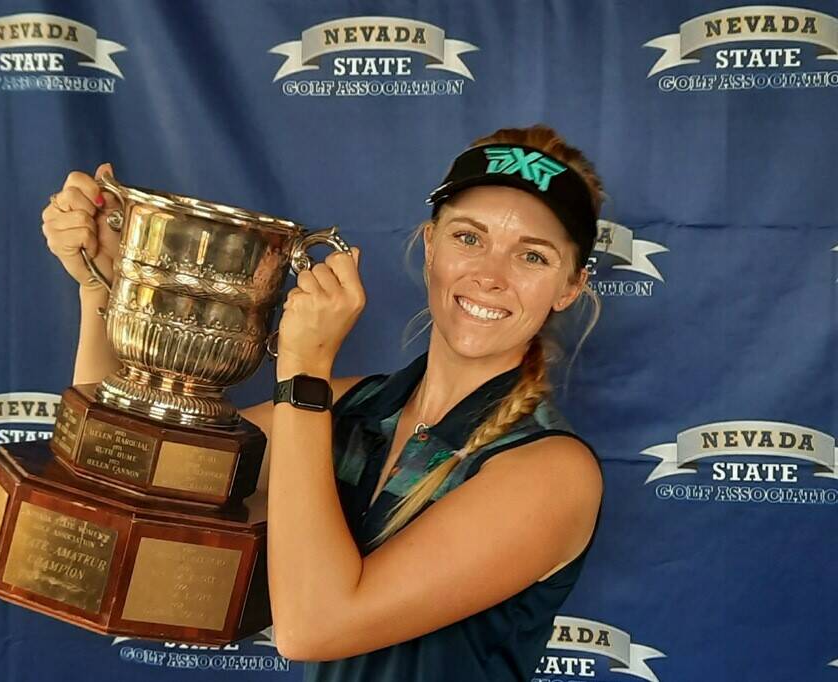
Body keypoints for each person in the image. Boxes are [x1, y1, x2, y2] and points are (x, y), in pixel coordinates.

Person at [42, 123, 604, 682]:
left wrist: (304, 373)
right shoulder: (353, 409)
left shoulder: (551, 470)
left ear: (569, 287)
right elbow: (114, 465)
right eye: (468, 238)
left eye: (532, 257)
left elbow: (314, 627)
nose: (490, 276)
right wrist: (104, 285)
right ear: (431, 246)